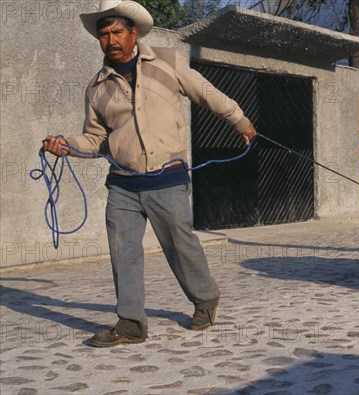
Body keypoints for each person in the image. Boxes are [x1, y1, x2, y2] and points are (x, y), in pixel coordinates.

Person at [43, 0, 256, 347]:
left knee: (179, 244)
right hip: (123, 184)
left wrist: (239, 120)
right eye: (104, 34)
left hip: (167, 177)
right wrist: (65, 143)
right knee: (123, 249)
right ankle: (131, 322)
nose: (110, 40)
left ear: (133, 33)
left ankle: (205, 299)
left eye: (117, 32)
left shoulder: (168, 61)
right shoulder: (97, 87)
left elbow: (206, 93)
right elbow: (96, 139)